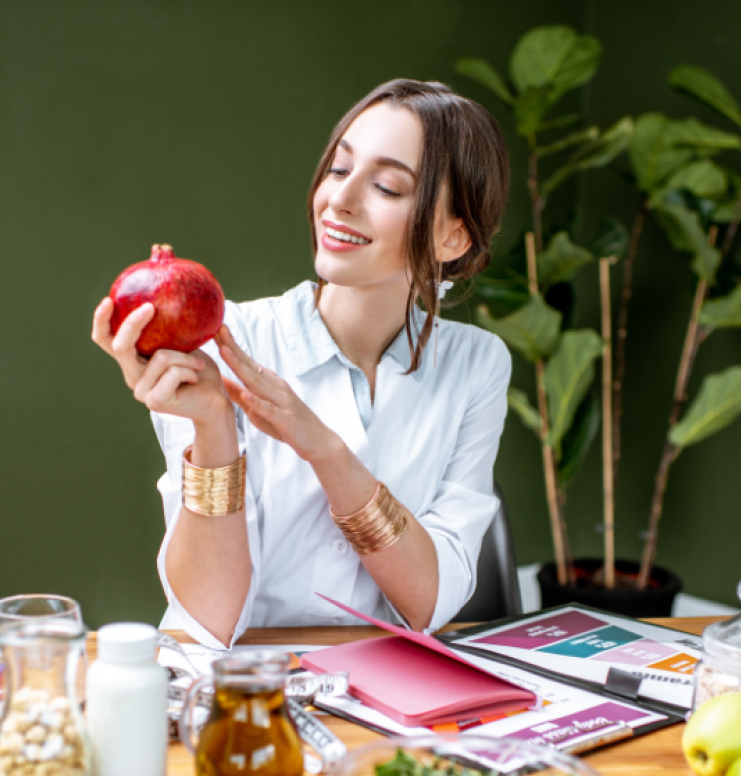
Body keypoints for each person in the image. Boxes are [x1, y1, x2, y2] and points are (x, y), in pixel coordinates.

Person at [92, 79, 511, 649]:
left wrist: (325, 449)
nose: (340, 199)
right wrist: (213, 426)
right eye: (339, 171)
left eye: (387, 186)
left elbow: (428, 604)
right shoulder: (217, 344)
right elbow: (212, 621)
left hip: (385, 694)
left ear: (451, 237)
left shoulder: (476, 365)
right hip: (236, 693)